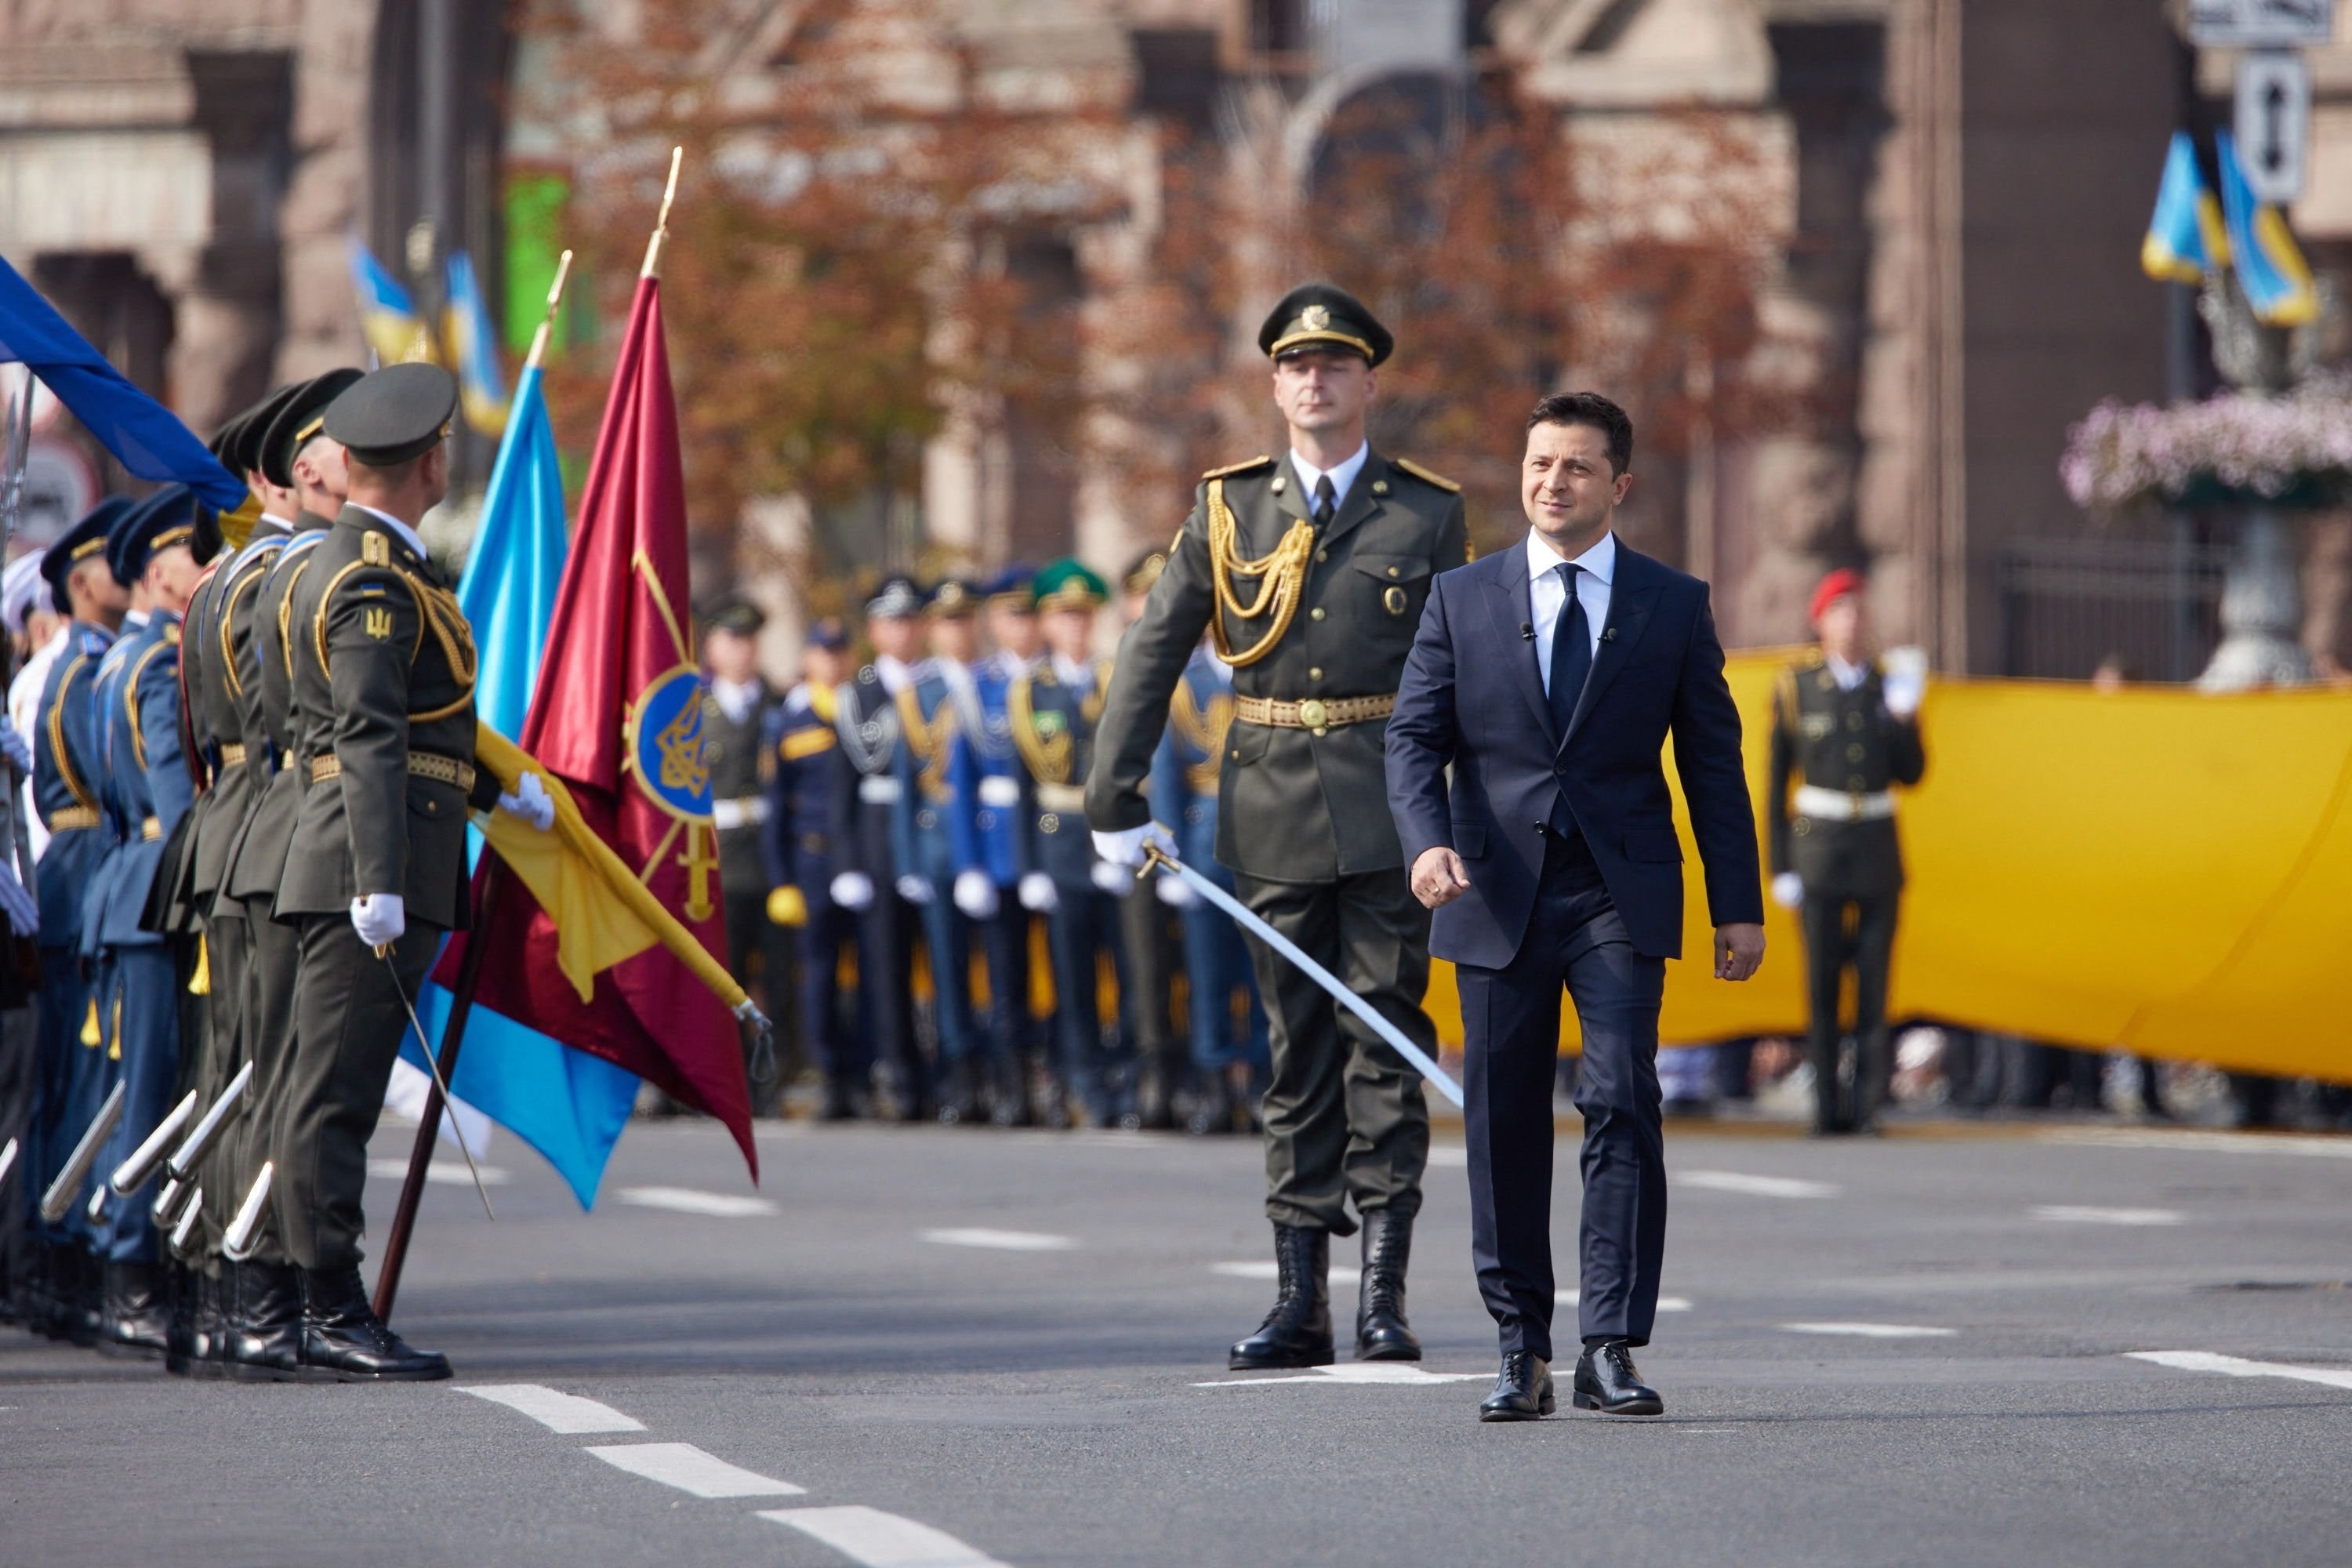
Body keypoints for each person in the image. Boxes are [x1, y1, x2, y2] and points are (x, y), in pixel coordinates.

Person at [1087, 282, 1466, 1368]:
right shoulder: (1229, 507)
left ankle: (1382, 1297)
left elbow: (1459, 677)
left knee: (1386, 1043)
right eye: (1298, 366)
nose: (1316, 380)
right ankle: (1300, 1298)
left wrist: (1467, 817)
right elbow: (1153, 648)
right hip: (1268, 808)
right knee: (1295, 1049)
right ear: (1275, 384)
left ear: (1368, 384)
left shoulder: (1424, 512)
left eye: (1337, 364)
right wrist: (1113, 796)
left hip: (1395, 810)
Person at [1385, 390, 1766, 1421]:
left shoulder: (1671, 604)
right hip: (1494, 889)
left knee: (1619, 1099)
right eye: (1539, 464)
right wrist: (1424, 843)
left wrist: (1740, 906)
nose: (1553, 484)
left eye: (1577, 468)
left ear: (1619, 486)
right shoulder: (1460, 598)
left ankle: (1609, 1343)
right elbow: (1413, 740)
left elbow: (1713, 766)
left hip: (1618, 888)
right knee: (1503, 1116)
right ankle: (1521, 1343)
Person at [270, 362, 552, 1381]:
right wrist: (380, 875)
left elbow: (419, 726)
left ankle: (309, 1301)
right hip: (367, 860)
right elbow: (368, 736)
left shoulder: (374, 567)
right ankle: (325, 1308)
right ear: (430, 461)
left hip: (380, 849)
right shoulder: (368, 580)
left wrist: (489, 790)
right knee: (333, 1094)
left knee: (329, 1087)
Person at [212, 368, 358, 1378]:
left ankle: (248, 1293)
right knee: (288, 1079)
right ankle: (267, 1289)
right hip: (290, 828)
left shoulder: (255, 573)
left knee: (261, 1075)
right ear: (295, 471)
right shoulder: (290, 576)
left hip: (255, 830)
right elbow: (303, 724)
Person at [83, 484, 209, 1358]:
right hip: (161, 883)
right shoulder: (160, 663)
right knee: (152, 1091)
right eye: (197, 560)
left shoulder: (118, 661)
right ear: (162, 573)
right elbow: (175, 795)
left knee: (131, 1088)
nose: (207, 573)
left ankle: (117, 1266)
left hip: (126, 881)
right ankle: (131, 1275)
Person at [1766, 568, 1926, 1137]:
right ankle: (1826, 1107)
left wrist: (1906, 721)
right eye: (1842, 611)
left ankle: (1868, 1106)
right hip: (1820, 850)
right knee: (1823, 983)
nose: (1853, 622)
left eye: (1860, 610)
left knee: (1875, 985)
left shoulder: (1889, 685)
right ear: (1821, 622)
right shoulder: (1796, 686)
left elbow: (1913, 774)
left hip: (1877, 849)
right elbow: (1774, 783)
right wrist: (1779, 865)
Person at [23, 501, 129, 1343]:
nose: (126, 574)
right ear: (81, 583)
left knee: (77, 1077)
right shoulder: (86, 669)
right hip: (88, 871)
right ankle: (66, 1254)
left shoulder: (97, 660)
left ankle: (59, 1254)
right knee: (81, 1077)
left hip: (83, 873)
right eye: (109, 564)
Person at [1016, 559, 1127, 1128]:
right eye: (1065, 616)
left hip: (1112, 845)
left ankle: (1125, 1077)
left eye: (1084, 616)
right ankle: (1081, 1079)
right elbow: (1016, 787)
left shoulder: (1118, 680)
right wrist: (1028, 864)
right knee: (1072, 975)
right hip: (1058, 846)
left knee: (1128, 970)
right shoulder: (1030, 691)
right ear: (1047, 624)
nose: (1077, 627)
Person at [1145, 626, 1269, 1135]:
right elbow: (1167, 773)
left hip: (1266, 846)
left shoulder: (1269, 674)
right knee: (1208, 976)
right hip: (1203, 845)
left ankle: (1264, 1084)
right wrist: (1168, 850)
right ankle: (1215, 1083)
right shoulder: (1184, 683)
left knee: (1266, 976)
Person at [826, 577, 935, 1122]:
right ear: (874, 630)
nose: (903, 631)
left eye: (911, 620)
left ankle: (948, 1072)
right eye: (893, 621)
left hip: (937, 843)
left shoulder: (941, 687)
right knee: (885, 968)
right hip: (879, 845)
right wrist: (847, 861)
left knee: (945, 962)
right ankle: (896, 1072)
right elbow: (842, 787)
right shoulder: (859, 694)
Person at [762, 618, 862, 1119]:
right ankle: (827, 1074)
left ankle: (863, 1074)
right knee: (819, 973)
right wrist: (781, 879)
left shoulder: (863, 709)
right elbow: (778, 806)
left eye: (840, 652)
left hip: (861, 861)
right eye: (824, 653)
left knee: (867, 971)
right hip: (813, 858)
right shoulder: (791, 718)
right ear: (808, 658)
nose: (832, 661)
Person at [960, 566, 1048, 1124]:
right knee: (1003, 976)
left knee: (1059, 975)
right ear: (994, 621)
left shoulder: (1054, 682)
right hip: (996, 850)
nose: (1022, 626)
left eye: (1029, 614)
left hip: (1049, 845)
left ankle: (1054, 1080)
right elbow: (963, 781)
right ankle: (1010, 1084)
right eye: (1012, 615)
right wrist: (969, 862)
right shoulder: (980, 686)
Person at [701, 599, 786, 1115]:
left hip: (771, 855)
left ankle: (770, 1078)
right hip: (717, 858)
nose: (742, 648)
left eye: (750, 639)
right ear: (712, 646)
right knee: (725, 977)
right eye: (732, 638)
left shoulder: (778, 703)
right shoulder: (694, 708)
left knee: (776, 976)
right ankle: (724, 1078)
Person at [1112, 550, 1187, 1128]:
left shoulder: (1207, 667)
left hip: (1200, 834)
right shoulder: (1114, 671)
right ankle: (1153, 1073)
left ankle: (1209, 1074)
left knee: (1210, 965)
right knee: (1144, 963)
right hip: (1138, 836)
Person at [909, 579, 987, 1122]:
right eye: (947, 622)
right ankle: (959, 1074)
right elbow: (904, 784)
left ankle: (1003, 1071)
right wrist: (909, 859)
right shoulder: (917, 692)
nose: (957, 632)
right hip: (938, 845)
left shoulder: (996, 683)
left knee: (1003, 967)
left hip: (992, 843)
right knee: (947, 964)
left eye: (964, 621)